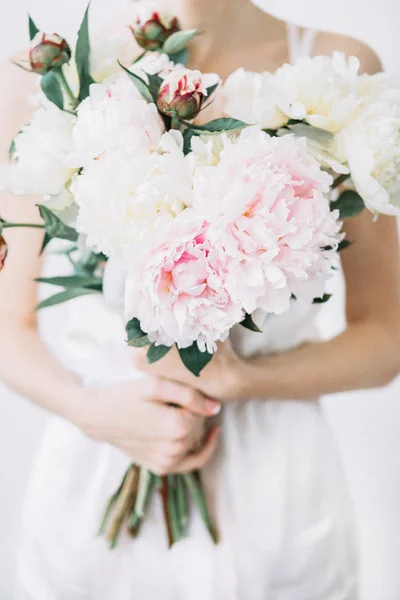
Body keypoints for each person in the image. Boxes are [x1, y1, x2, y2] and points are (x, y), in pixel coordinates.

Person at [0, 1, 399, 598]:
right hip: (97, 470)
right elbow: (8, 325)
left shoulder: (337, 75)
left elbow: (386, 337)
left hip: (276, 489)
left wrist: (240, 380)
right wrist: (92, 411)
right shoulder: (53, 78)